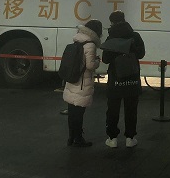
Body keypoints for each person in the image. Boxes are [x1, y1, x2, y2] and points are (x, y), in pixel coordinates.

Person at [102, 10, 145, 148]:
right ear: (124, 19)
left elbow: (105, 59)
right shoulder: (135, 36)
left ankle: (112, 138)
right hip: (132, 77)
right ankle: (130, 138)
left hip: (115, 78)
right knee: (131, 108)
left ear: (112, 22)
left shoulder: (111, 38)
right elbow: (141, 54)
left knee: (113, 109)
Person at [62, 19, 103, 147]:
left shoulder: (77, 40)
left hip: (72, 80)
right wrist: (97, 61)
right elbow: (90, 65)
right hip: (82, 83)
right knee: (79, 113)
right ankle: (78, 139)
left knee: (72, 112)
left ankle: (71, 137)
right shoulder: (90, 44)